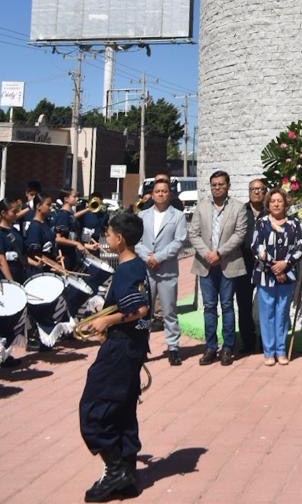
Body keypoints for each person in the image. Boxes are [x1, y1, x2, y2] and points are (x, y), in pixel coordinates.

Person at [78, 208, 151, 503]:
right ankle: (128, 477)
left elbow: (140, 310)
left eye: (108, 234)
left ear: (119, 239)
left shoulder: (129, 269)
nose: (106, 237)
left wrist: (107, 321)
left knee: (94, 408)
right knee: (122, 410)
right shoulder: (136, 265)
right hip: (130, 348)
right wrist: (106, 313)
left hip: (121, 349)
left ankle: (115, 469)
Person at [188, 170, 248, 366]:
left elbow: (239, 234)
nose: (217, 187)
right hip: (206, 264)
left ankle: (228, 347)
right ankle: (211, 347)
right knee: (209, 307)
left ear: (228, 185)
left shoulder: (238, 208)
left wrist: (219, 253)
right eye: (214, 184)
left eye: (221, 184)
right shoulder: (202, 207)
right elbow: (193, 233)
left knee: (228, 306)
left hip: (228, 263)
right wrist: (207, 253)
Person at [136, 178, 188, 366]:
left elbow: (179, 241)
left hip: (166, 270)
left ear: (170, 193)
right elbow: (137, 241)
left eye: (164, 191)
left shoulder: (178, 216)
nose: (161, 194)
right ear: (152, 193)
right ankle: (141, 347)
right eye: (157, 191)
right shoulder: (143, 215)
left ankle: (173, 347)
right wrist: (147, 256)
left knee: (169, 311)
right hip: (147, 269)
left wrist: (158, 257)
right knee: (144, 312)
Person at [250, 187, 302, 364]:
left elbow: (300, 247)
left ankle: (281, 351)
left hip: (287, 274)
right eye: (273, 201)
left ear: (285, 203)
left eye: (279, 201)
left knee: (282, 313)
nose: (276, 204)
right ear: (268, 203)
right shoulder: (261, 222)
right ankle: (269, 352)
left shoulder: (294, 224)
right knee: (267, 314)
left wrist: (285, 265)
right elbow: (256, 247)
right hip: (265, 274)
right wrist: (274, 267)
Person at [235, 178, 267, 355]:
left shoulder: (270, 211)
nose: (256, 192)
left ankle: (265, 342)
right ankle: (247, 342)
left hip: (265, 265)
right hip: (244, 263)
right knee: (244, 304)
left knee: (265, 304)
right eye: (253, 189)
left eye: (260, 189)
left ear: (265, 192)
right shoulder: (241, 211)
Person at [23, 192, 58, 269]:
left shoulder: (46, 224)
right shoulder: (34, 227)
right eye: (48, 205)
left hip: (49, 269)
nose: (51, 208)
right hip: (38, 272)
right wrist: (55, 265)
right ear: (38, 206)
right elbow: (35, 254)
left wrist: (55, 258)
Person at [0, 198, 25, 282]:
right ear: (3, 213)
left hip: (20, 277)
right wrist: (11, 281)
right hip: (5, 281)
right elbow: (1, 260)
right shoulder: (1, 233)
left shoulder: (16, 232)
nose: (16, 214)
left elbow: (22, 254)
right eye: (13, 212)